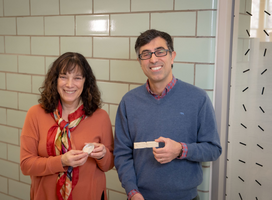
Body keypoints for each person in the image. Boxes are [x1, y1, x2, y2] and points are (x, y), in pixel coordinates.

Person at [114, 29, 222, 200]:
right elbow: (122, 154)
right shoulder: (128, 102)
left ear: (172, 56)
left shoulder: (198, 98)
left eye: (160, 52)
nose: (153, 59)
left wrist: (180, 149)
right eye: (146, 54)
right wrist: (132, 192)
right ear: (140, 62)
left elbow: (213, 149)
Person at [20, 52, 114, 200]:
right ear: (55, 80)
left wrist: (103, 154)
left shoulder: (101, 117)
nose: (70, 84)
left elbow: (108, 165)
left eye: (77, 78)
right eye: (63, 77)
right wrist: (61, 161)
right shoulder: (35, 114)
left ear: (85, 82)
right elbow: (26, 165)